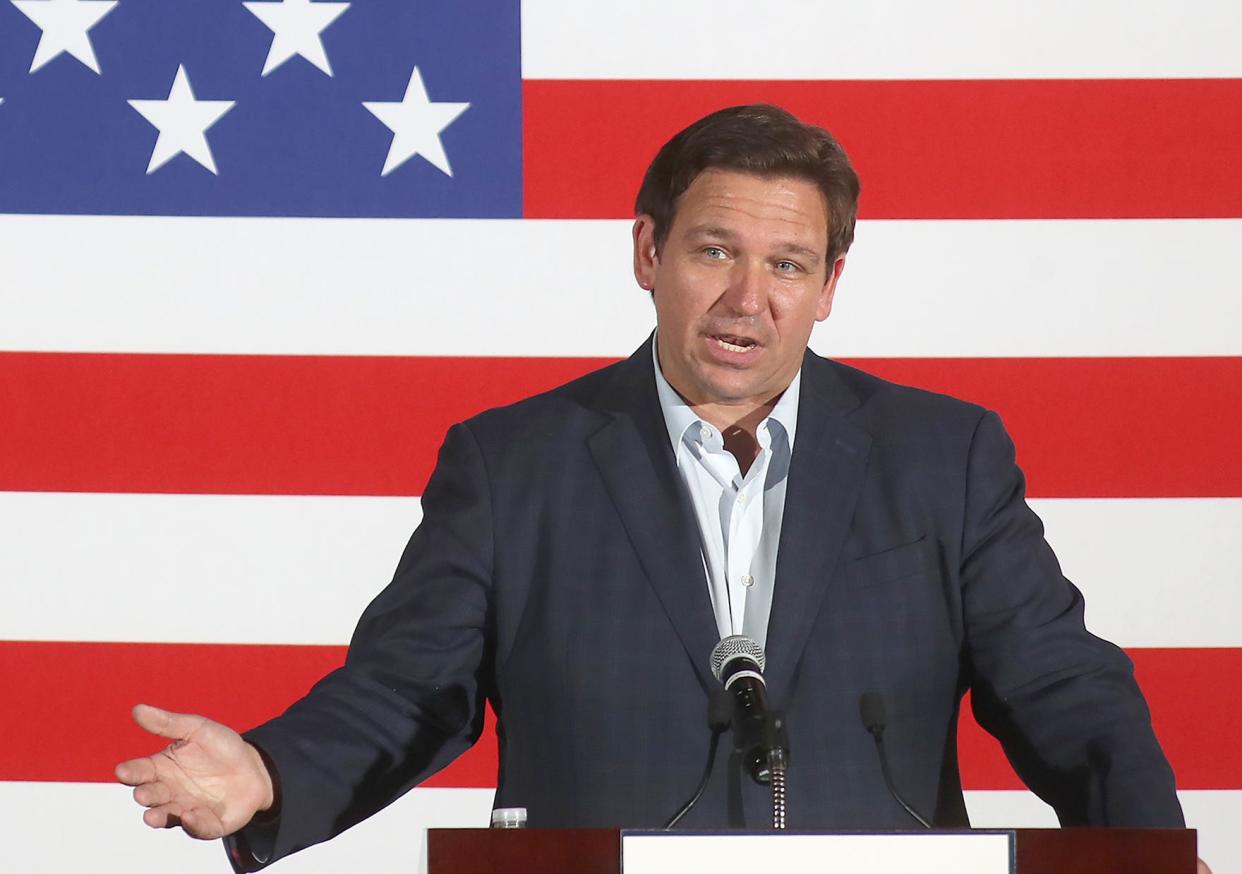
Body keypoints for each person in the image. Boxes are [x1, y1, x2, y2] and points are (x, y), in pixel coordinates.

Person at [117, 104, 1201, 871]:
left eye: (786, 264)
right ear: (647, 250)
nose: (746, 298)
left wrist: (1153, 857)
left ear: (829, 286)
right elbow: (410, 689)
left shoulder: (941, 456)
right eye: (714, 250)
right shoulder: (515, 465)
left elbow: (1064, 688)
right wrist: (268, 772)